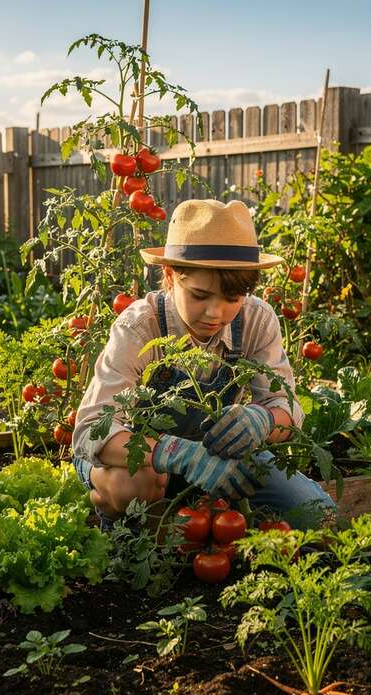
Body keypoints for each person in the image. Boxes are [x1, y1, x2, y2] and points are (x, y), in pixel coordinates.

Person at [70, 198, 334, 529]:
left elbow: (288, 408)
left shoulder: (257, 319)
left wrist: (263, 420)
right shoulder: (139, 327)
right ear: (170, 276)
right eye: (199, 295)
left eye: (232, 299)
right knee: (133, 486)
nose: (215, 313)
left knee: (316, 514)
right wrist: (175, 453)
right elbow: (90, 431)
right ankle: (108, 505)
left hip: (218, 461)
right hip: (136, 462)